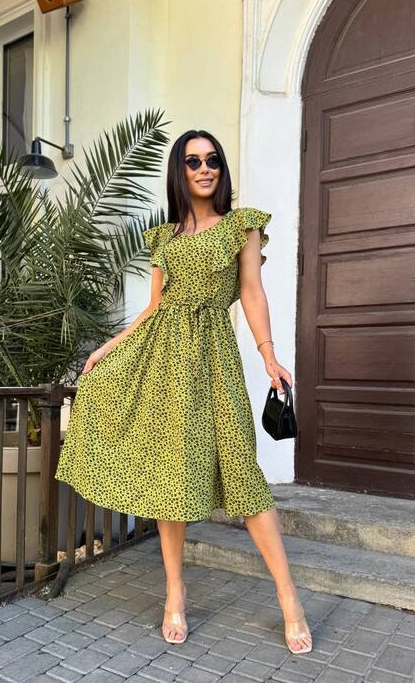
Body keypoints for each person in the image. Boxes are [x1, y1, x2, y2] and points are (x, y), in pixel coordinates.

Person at [55, 129, 312, 655]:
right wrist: (110, 346)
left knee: (244, 473)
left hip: (215, 360)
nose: (204, 167)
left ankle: (289, 598)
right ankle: (175, 589)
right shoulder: (163, 239)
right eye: (193, 160)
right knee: (170, 478)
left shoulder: (241, 226)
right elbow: (154, 307)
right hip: (163, 362)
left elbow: (251, 293)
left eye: (213, 159)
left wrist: (268, 355)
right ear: (179, 170)